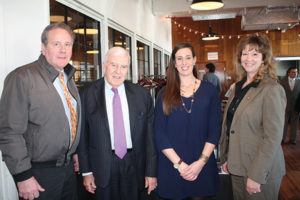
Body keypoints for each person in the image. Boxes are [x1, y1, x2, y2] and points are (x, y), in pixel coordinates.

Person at [0, 22, 81, 200]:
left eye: (67, 44)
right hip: (38, 174)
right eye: (56, 44)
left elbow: (66, 121)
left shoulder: (67, 78)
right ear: (43, 48)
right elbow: (9, 132)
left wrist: (72, 152)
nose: (63, 50)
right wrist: (23, 176)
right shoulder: (22, 77)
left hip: (67, 170)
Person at [77, 47, 157, 200]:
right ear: (104, 65)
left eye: (124, 66)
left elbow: (150, 138)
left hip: (134, 163)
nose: (118, 71)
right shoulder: (86, 94)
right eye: (113, 65)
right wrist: (86, 172)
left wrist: (151, 171)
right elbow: (82, 137)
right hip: (101, 165)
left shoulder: (142, 95)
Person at [220, 34, 286, 200]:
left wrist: (256, 175)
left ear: (264, 59)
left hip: (260, 173)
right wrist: (228, 158)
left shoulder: (271, 89)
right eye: (245, 53)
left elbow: (272, 137)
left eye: (255, 54)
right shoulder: (238, 87)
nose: (248, 58)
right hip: (238, 167)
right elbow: (232, 126)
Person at [154, 43, 221, 200]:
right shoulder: (164, 93)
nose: (184, 62)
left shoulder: (209, 91)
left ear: (194, 60)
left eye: (188, 58)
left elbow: (214, 130)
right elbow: (159, 133)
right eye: (179, 58)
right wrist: (180, 165)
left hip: (202, 165)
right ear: (174, 63)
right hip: (172, 166)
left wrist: (200, 163)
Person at [280, 66, 300, 145]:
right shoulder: (282, 81)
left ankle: (293, 139)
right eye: (293, 72)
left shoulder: (299, 82)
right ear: (288, 73)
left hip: (296, 106)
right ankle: (282, 138)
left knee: (294, 123)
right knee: (283, 123)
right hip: (284, 106)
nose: (295, 74)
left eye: (296, 72)